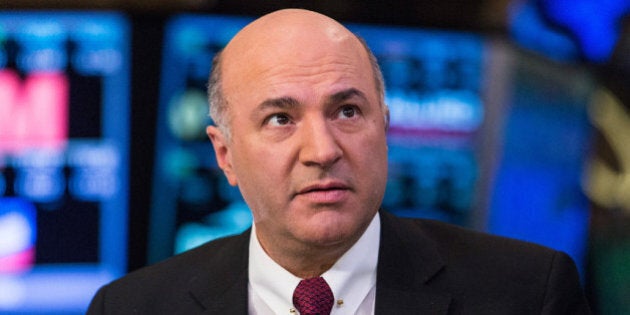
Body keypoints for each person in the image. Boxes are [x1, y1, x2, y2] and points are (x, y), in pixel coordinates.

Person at [87, 8, 590, 314]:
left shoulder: (528, 294)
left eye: (347, 111)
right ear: (226, 155)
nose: (323, 150)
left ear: (385, 130)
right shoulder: (131, 309)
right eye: (280, 119)